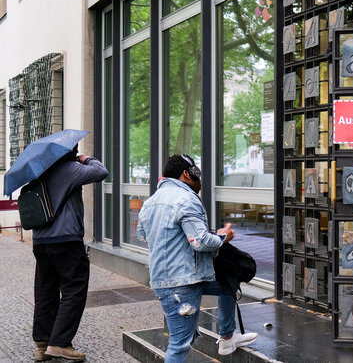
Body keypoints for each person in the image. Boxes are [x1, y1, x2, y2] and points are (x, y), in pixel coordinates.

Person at [137, 155, 257, 363]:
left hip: (179, 277)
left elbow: (143, 235)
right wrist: (222, 237)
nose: (200, 179)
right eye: (197, 173)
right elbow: (200, 242)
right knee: (179, 344)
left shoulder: (151, 202)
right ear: (186, 173)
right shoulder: (186, 199)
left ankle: (228, 337)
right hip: (181, 283)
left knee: (229, 282)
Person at [32, 146, 108, 361]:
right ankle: (59, 343)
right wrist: (86, 158)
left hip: (41, 241)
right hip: (65, 239)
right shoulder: (70, 168)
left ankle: (42, 344)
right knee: (74, 290)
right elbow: (101, 172)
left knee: (45, 292)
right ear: (71, 152)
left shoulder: (40, 172)